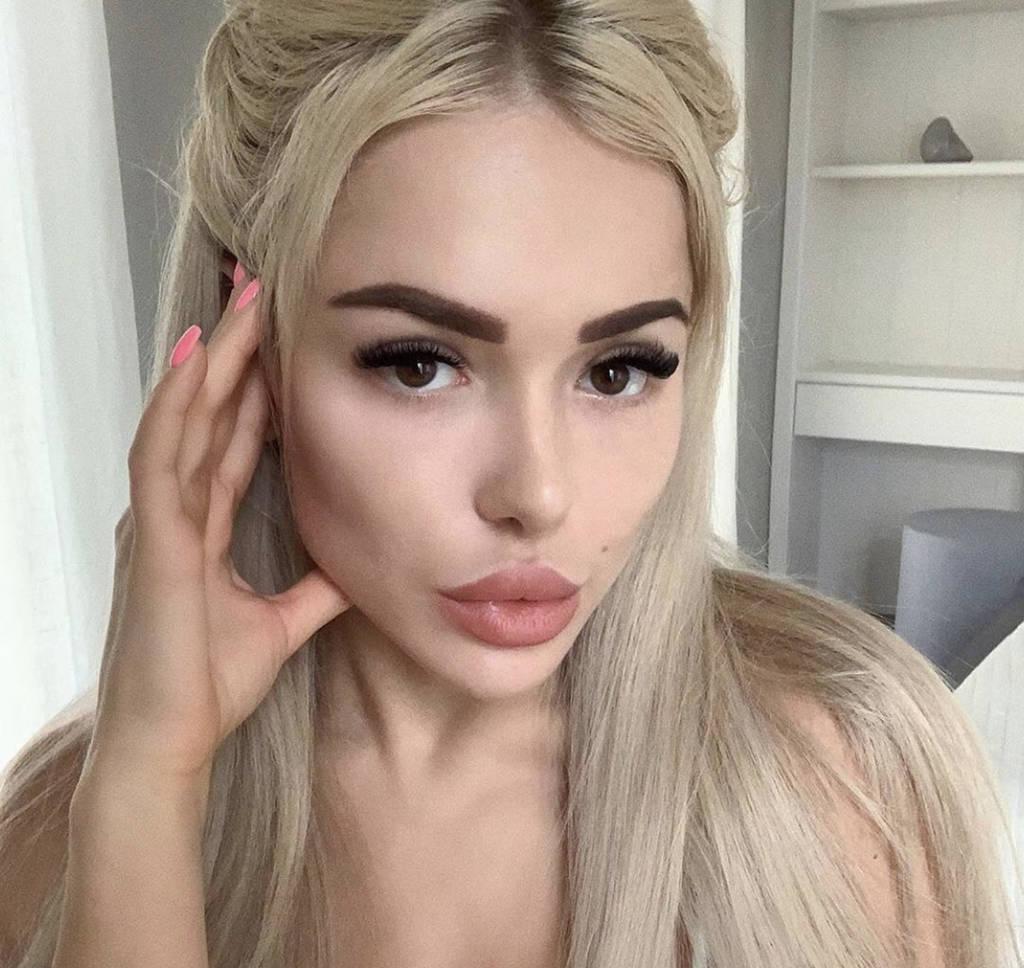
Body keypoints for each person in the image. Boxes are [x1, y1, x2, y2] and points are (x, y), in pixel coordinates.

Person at [1, 1, 1021, 966]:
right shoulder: (64, 835)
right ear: (252, 348)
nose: (537, 493)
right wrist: (143, 789)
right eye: (418, 364)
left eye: (617, 371)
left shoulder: (846, 768)